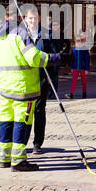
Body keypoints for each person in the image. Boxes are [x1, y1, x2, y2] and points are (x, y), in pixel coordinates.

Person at [0, 7, 61, 172]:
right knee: (22, 122)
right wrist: (57, 58)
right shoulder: (21, 34)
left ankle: (4, 158)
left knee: (6, 122)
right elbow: (35, 58)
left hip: (5, 87)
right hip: (23, 88)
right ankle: (19, 160)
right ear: (19, 17)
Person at [24, 8, 60, 155]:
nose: (32, 21)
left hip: (41, 78)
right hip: (24, 79)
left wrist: (52, 79)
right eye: (30, 18)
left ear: (39, 19)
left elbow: (54, 57)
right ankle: (21, 142)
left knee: (39, 111)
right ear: (25, 19)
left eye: (35, 18)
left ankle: (37, 143)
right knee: (24, 113)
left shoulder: (47, 34)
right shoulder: (20, 34)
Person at [65, 32, 90, 99]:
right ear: (75, 41)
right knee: (73, 81)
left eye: (79, 40)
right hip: (75, 67)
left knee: (84, 81)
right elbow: (72, 59)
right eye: (77, 40)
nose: (78, 42)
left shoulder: (84, 49)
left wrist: (87, 69)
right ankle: (71, 93)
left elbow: (87, 59)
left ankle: (84, 93)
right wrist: (71, 67)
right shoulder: (73, 49)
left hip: (83, 68)